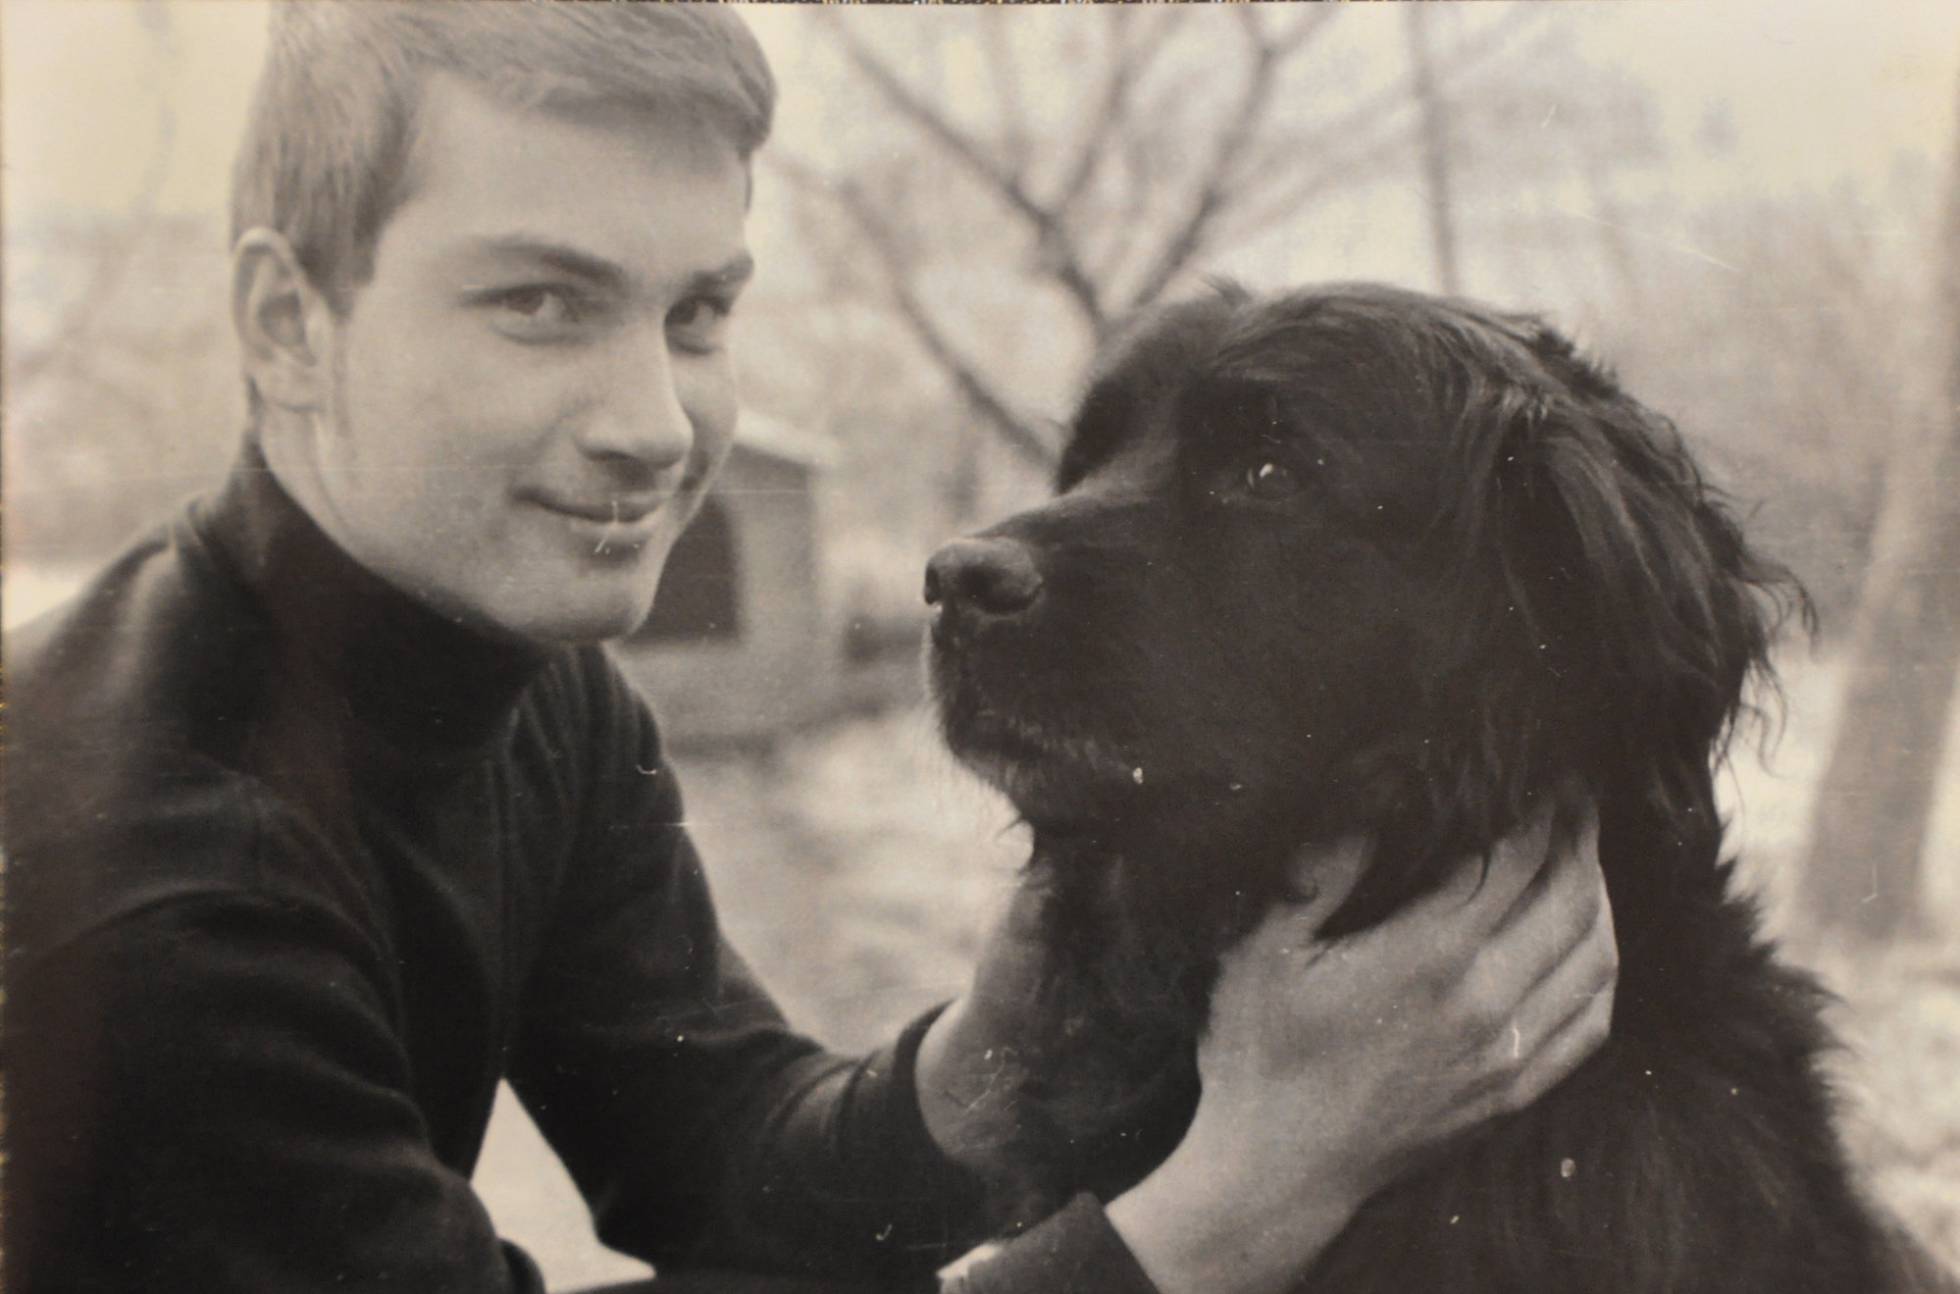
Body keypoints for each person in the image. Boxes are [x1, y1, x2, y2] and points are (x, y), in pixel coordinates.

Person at [0, 6, 1618, 1293]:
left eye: (696, 313)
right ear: (289, 326)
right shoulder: (155, 893)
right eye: (540, 305)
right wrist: (1241, 1204)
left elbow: (718, 1154)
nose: (654, 424)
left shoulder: (516, 671)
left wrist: (995, 1047)